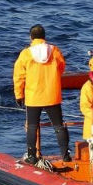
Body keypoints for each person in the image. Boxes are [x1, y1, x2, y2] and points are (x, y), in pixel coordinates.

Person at [13, 24, 70, 164]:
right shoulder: (54, 50)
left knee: (32, 126)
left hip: (33, 96)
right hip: (52, 94)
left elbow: (19, 76)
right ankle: (65, 154)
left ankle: (32, 155)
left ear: (31, 38)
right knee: (58, 126)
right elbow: (61, 67)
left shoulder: (26, 53)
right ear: (44, 37)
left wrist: (18, 95)